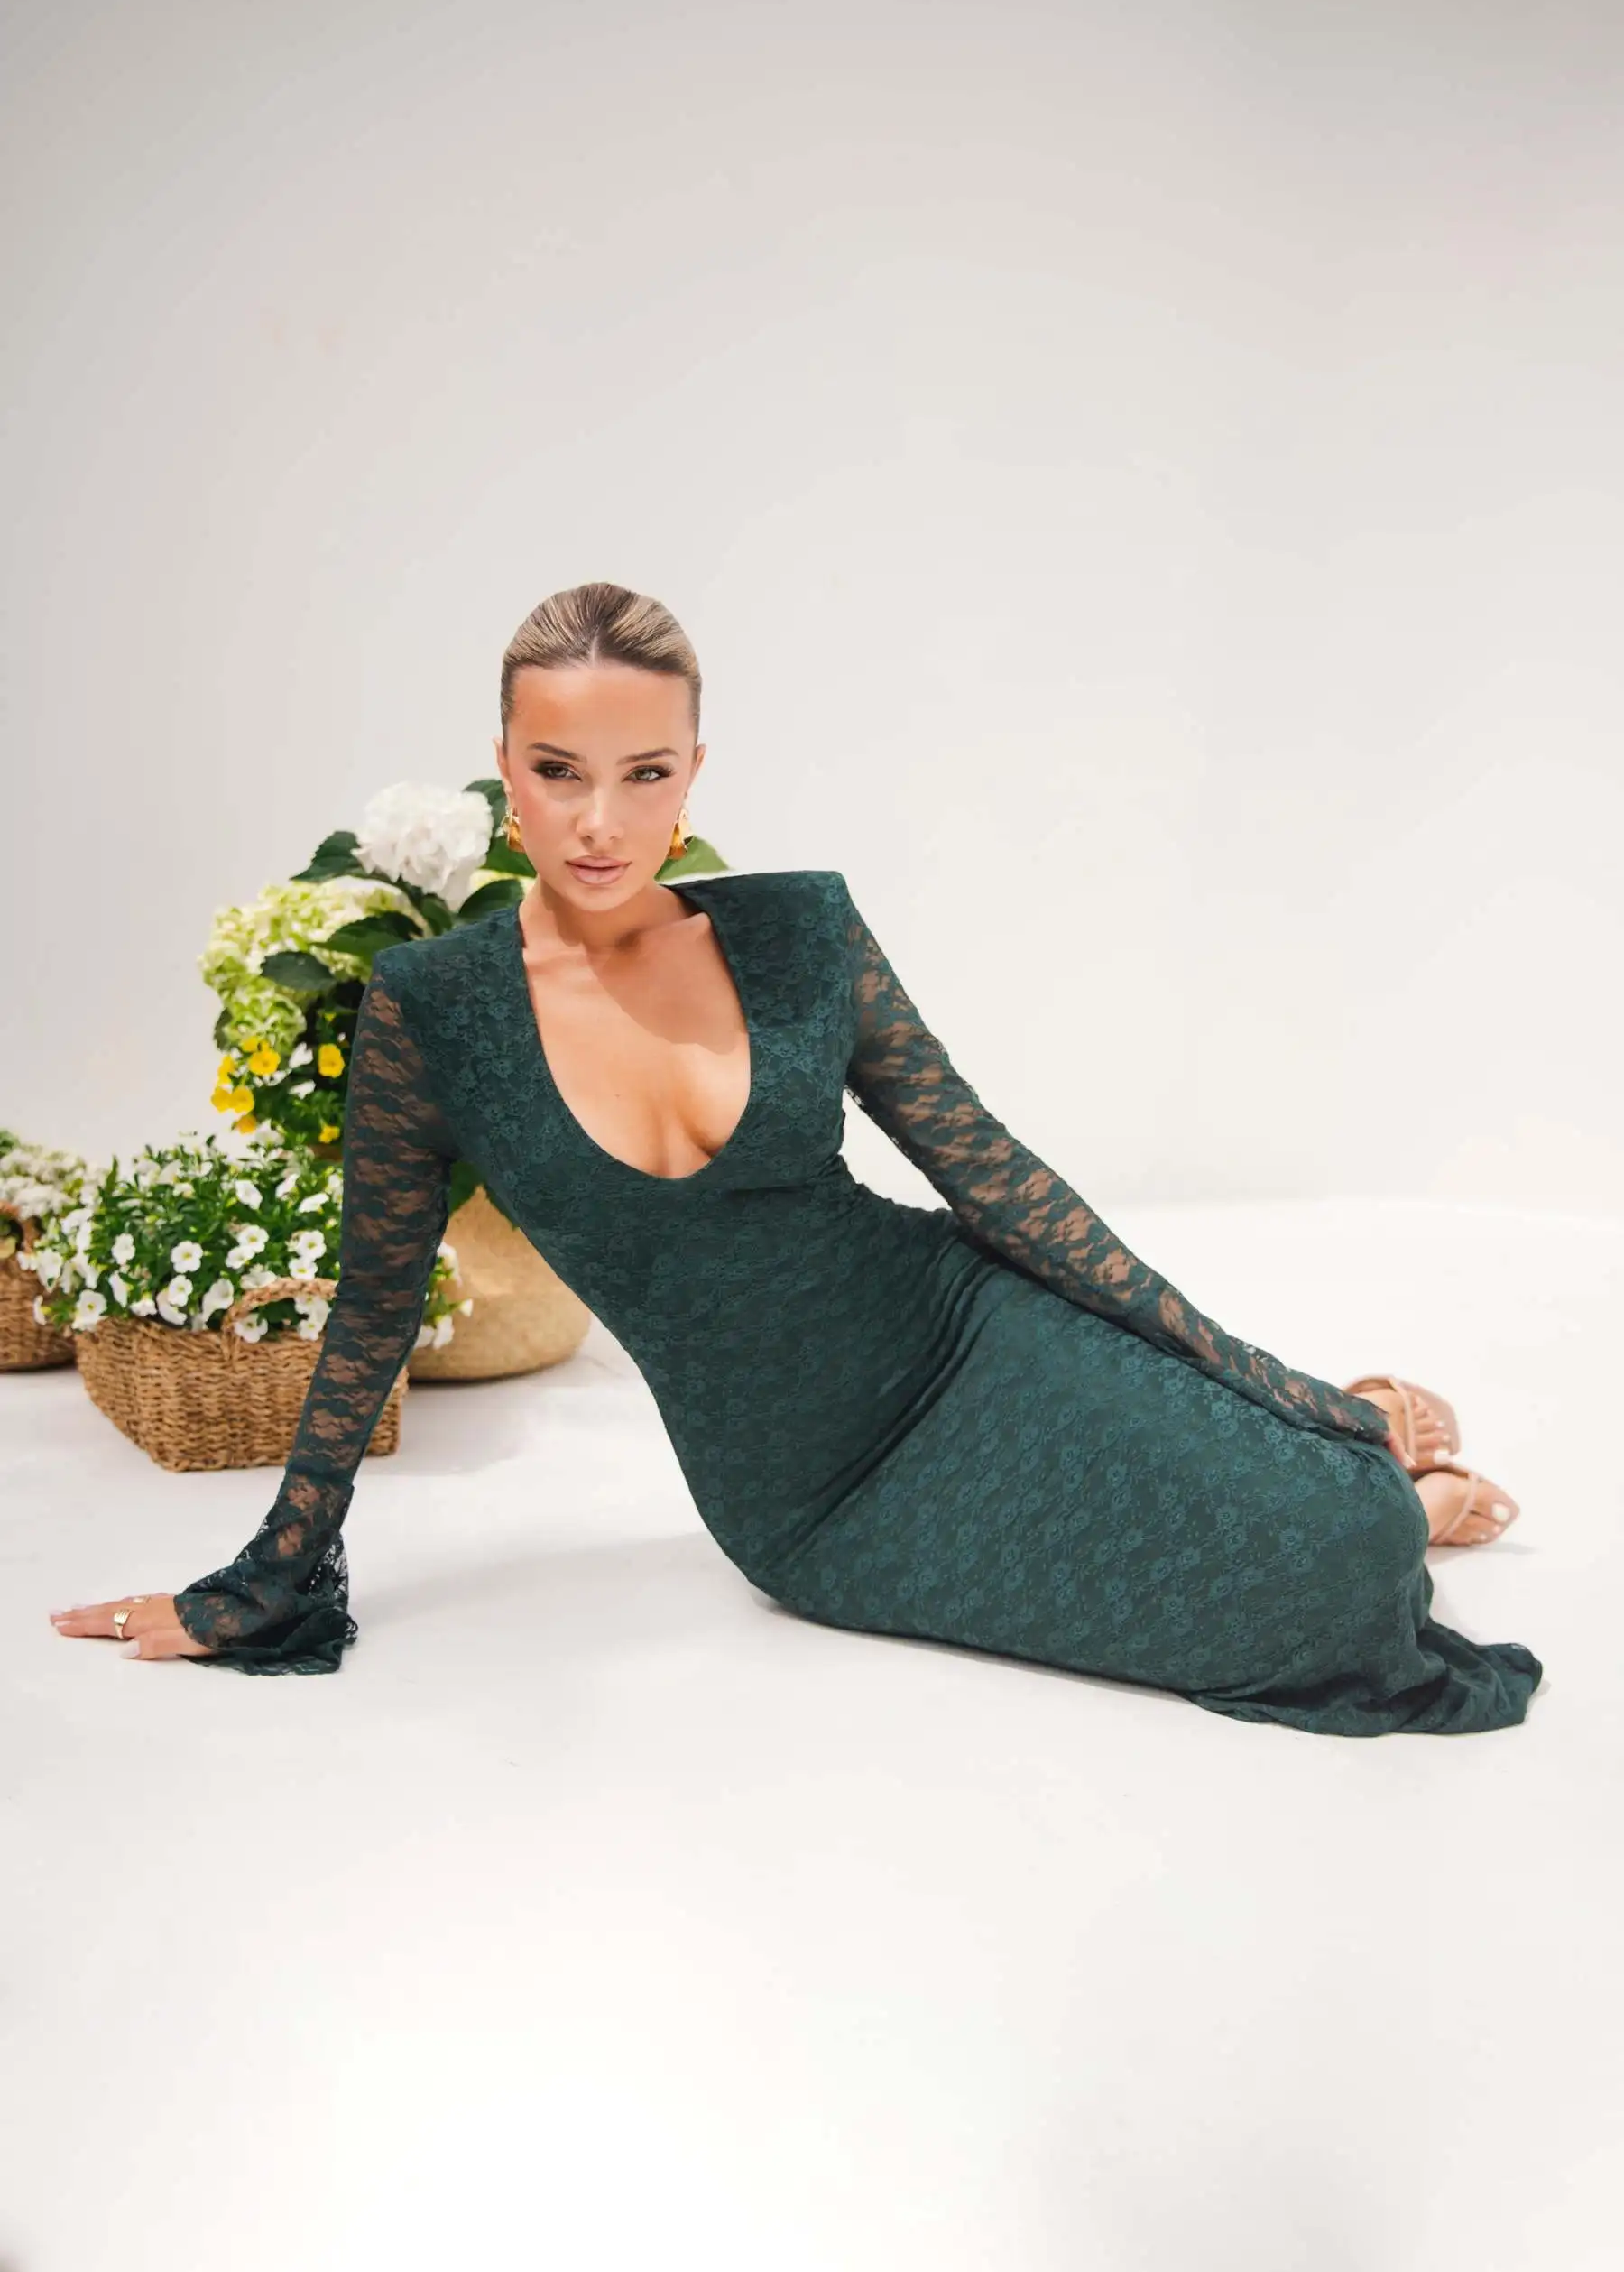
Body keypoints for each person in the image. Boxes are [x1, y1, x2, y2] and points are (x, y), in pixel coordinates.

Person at [49, 583, 1541, 1734]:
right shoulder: (432, 1007)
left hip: (959, 1329)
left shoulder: (797, 933)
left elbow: (991, 1175)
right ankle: (1388, 1485)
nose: (599, 821)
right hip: (813, 1499)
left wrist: (1258, 1373)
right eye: (559, 769)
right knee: (1343, 1553)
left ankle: (1346, 1434)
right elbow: (375, 1303)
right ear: (504, 766)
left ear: (692, 773)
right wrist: (271, 1571)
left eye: (644, 773)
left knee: (1328, 1513)